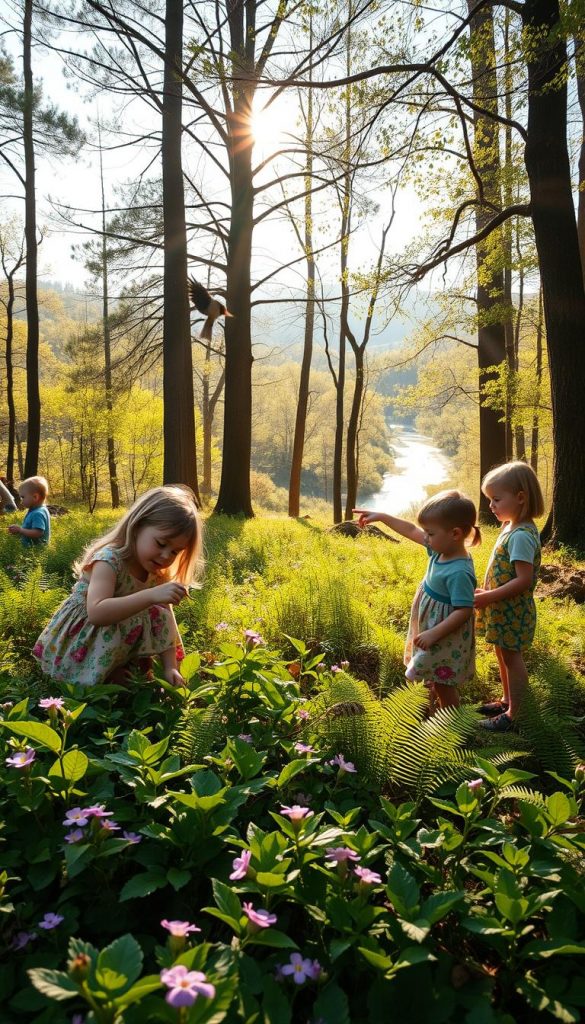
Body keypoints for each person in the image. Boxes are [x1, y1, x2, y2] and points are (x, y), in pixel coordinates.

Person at [32, 485, 202, 688]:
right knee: (98, 690)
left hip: (119, 641)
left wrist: (170, 666)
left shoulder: (156, 571)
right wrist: (150, 596)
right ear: (138, 526)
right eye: (161, 543)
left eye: (175, 552)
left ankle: (126, 672)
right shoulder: (109, 560)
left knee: (159, 614)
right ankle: (94, 680)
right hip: (88, 640)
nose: (166, 556)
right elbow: (97, 613)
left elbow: (165, 620)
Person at [354, 491, 480, 710]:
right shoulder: (440, 549)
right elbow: (411, 530)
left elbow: (464, 611)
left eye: (430, 533)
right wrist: (383, 516)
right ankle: (431, 712)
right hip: (431, 627)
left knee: (443, 683)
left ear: (455, 533)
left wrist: (434, 633)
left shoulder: (458, 571)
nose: (425, 538)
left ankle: (451, 723)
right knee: (432, 675)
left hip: (444, 634)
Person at [474, 461, 544, 732]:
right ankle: (507, 700)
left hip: (512, 609)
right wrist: (490, 595)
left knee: (512, 658)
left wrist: (489, 596)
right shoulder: (511, 527)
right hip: (501, 607)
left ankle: (517, 713)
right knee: (501, 652)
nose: (491, 506)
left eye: (496, 499)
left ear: (520, 498)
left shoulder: (522, 536)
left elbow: (523, 580)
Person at [7, 476, 51, 546]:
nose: (21, 500)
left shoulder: (38, 513)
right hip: (31, 549)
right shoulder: (36, 509)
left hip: (35, 551)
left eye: (23, 497)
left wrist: (20, 530)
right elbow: (30, 528)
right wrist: (18, 531)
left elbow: (38, 533)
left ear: (35, 497)